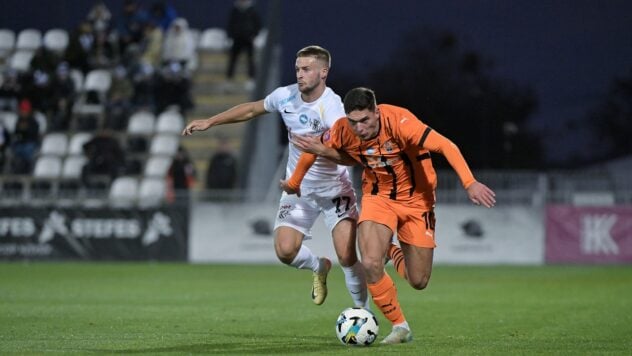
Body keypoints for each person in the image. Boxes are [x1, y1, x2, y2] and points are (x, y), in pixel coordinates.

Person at [281, 87, 496, 344]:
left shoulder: (401, 123)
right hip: (378, 196)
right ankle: (400, 326)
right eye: (353, 122)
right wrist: (295, 181)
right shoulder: (342, 129)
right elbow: (313, 149)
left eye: (365, 121)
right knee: (370, 262)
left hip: (418, 201)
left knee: (418, 280)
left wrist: (469, 182)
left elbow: (446, 145)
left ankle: (391, 250)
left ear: (376, 112)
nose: (359, 128)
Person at [183, 45, 368, 309]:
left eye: (306, 69)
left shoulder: (333, 109)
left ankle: (362, 315)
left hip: (334, 191)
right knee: (285, 251)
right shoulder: (285, 96)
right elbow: (250, 109)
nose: (299, 74)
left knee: (348, 256)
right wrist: (210, 121)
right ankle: (319, 266)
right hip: (299, 191)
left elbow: (352, 158)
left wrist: (319, 149)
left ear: (323, 72)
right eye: (297, 69)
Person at [225, 0, 262, 81]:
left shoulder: (252, 11)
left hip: (248, 39)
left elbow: (258, 24)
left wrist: (254, 35)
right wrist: (231, 36)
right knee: (233, 59)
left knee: (250, 59)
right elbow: (230, 24)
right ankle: (229, 78)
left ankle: (251, 79)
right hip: (237, 39)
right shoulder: (235, 11)